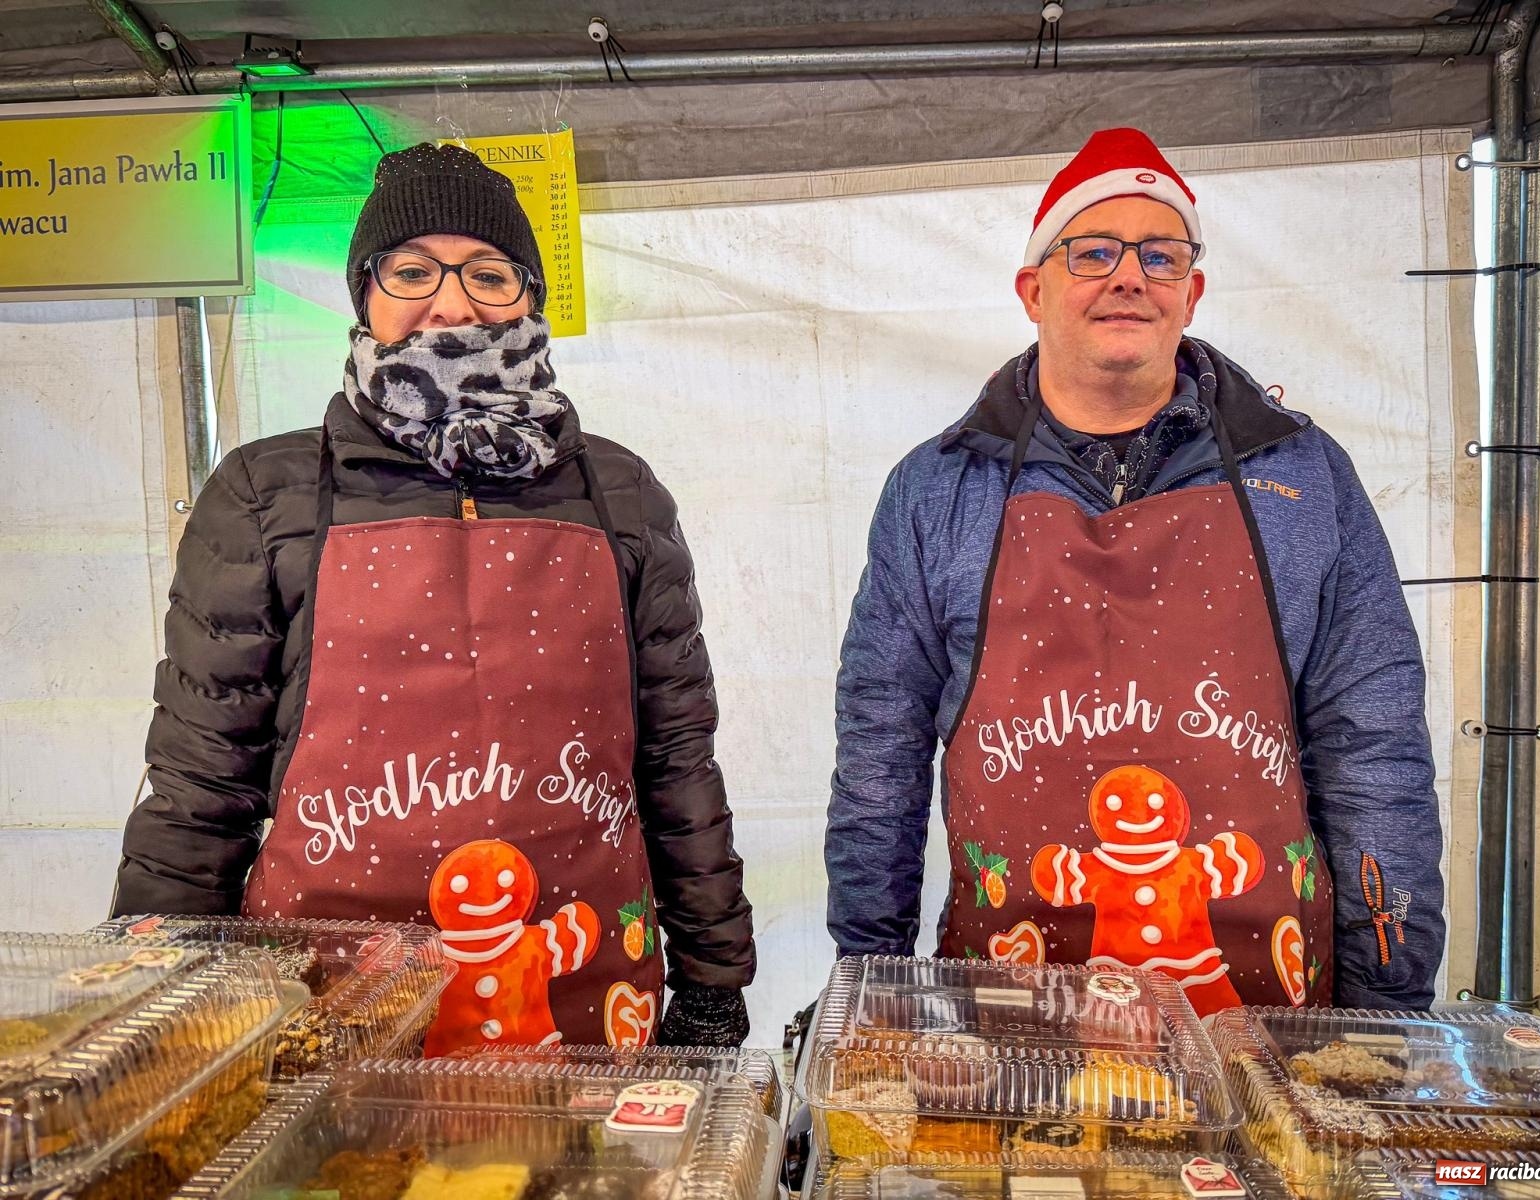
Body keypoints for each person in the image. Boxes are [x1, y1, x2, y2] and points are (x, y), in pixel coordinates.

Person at [114, 143, 755, 1050]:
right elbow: (200, 782)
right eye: (413, 271)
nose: (451, 304)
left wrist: (714, 977)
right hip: (325, 1008)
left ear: (529, 298)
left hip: (580, 997)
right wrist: (157, 996)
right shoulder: (265, 493)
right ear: (365, 295)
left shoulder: (621, 494)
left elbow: (677, 763)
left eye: (488, 275)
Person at [826, 127, 1443, 1015]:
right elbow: (879, 753)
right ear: (1032, 292)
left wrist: (1387, 1005)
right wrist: (869, 984)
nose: (1129, 277)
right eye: (1093, 252)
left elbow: (1374, 741)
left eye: (1161, 255)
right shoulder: (936, 489)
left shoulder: (1305, 478)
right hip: (1012, 1004)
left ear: (1191, 292)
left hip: (1264, 1010)